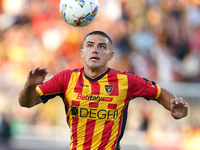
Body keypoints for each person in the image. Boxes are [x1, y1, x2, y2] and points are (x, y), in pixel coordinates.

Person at [18, 30, 188, 150]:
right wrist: (30, 85)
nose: (95, 50)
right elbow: (26, 103)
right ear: (82, 53)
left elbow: (159, 93)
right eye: (90, 45)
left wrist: (173, 105)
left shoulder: (126, 81)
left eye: (102, 47)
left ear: (110, 55)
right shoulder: (66, 79)